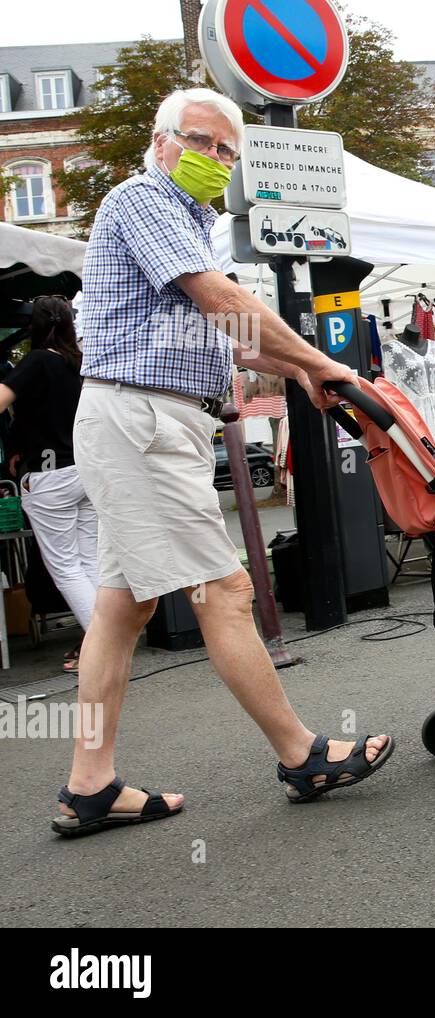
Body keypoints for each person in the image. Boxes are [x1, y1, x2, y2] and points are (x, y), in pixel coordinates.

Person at [52, 88, 392, 838]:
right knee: (227, 591)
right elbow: (216, 296)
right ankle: (302, 753)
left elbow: (227, 330)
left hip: (139, 417)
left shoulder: (189, 222)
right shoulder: (144, 199)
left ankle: (89, 786)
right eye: (202, 143)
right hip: (141, 418)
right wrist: (321, 362)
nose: (215, 160)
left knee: (122, 607)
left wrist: (299, 370)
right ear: (161, 138)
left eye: (227, 152)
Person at [0, 296, 97, 672]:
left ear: (34, 328)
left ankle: (102, 646)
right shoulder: (80, 362)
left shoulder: (38, 360)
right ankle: (104, 641)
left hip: (49, 477)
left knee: (66, 567)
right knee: (90, 561)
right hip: (86, 470)